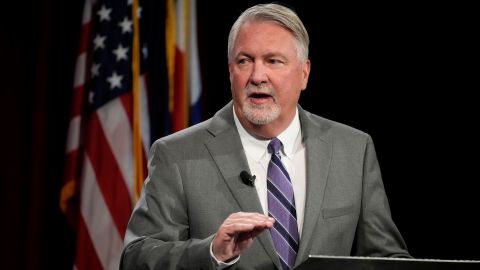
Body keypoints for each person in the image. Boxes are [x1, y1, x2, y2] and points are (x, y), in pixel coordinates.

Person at [121, 3, 410, 269]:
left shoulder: (353, 149)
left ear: (304, 74)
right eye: (245, 61)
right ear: (230, 70)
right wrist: (212, 252)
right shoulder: (177, 154)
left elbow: (385, 258)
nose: (258, 75)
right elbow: (136, 257)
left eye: (273, 61)